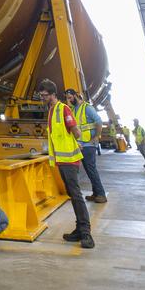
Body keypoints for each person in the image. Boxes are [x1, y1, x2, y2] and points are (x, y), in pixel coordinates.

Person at [37, 79, 95, 250]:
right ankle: (79, 228)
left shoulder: (63, 109)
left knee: (76, 195)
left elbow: (76, 131)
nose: (42, 98)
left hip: (69, 160)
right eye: (41, 95)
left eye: (45, 95)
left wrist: (78, 142)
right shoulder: (51, 111)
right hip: (62, 161)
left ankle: (86, 232)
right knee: (72, 194)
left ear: (53, 94)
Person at [65, 87, 107, 203]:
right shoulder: (74, 109)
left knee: (91, 169)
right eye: (67, 99)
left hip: (89, 145)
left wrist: (96, 137)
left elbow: (99, 121)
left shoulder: (86, 108)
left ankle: (101, 194)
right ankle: (96, 193)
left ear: (75, 95)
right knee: (89, 170)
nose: (69, 101)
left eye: (70, 98)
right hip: (81, 145)